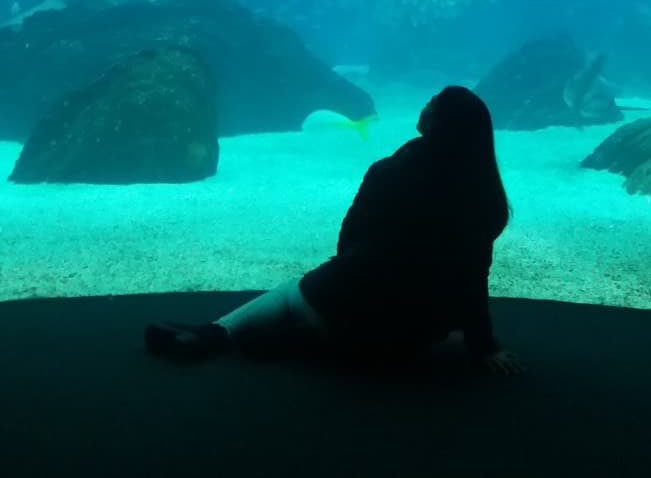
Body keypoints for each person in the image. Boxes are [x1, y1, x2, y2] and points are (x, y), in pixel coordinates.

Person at [145, 86, 523, 375]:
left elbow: (348, 243)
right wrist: (485, 346)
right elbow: (474, 276)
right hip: (413, 336)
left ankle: (215, 333)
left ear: (438, 122)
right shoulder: (483, 197)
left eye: (434, 102)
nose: (426, 104)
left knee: (292, 291)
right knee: (357, 322)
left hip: (349, 311)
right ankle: (297, 342)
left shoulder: (388, 172)